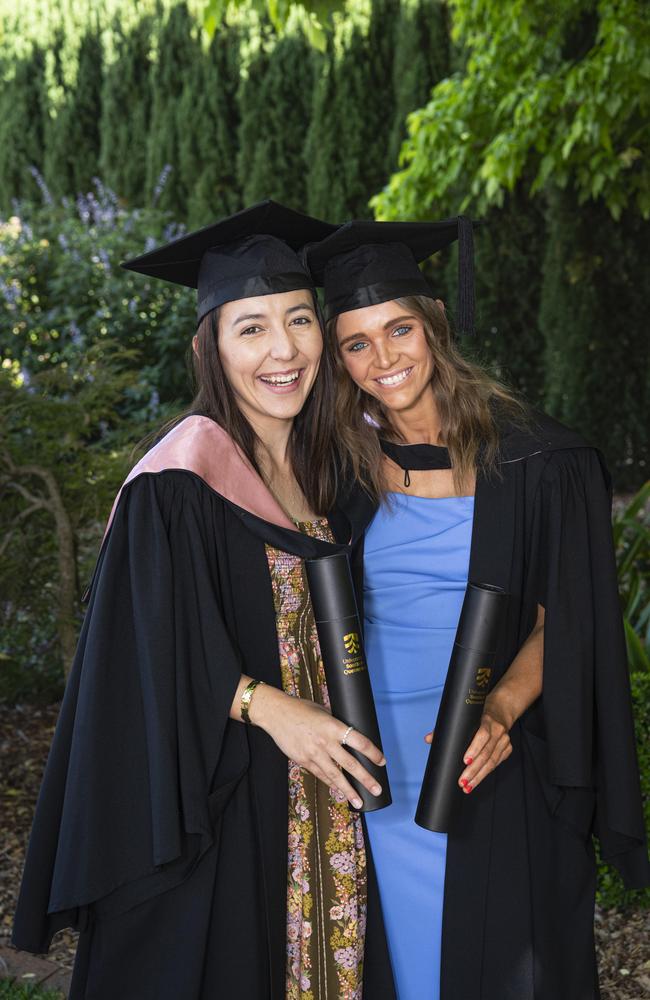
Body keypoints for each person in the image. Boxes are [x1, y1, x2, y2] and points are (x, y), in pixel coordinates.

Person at [12, 201, 393, 1000]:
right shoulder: (177, 483)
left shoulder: (338, 474)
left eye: (298, 319)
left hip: (339, 805)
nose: (283, 349)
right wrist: (268, 705)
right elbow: (138, 649)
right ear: (210, 347)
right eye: (249, 327)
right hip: (224, 809)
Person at [308, 218, 650, 1000]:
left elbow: (568, 617)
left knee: (505, 956)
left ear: (435, 325)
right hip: (371, 759)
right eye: (357, 343)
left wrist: (499, 708)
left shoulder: (536, 460)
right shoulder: (337, 468)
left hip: (482, 745)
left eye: (399, 330)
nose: (383, 359)